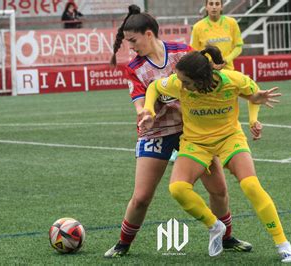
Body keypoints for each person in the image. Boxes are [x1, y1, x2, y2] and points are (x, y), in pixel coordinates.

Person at [104, 5, 254, 258]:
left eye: (133, 40)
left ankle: (226, 237)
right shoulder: (135, 67)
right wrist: (145, 114)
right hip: (157, 132)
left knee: (218, 190)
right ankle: (123, 244)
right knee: (141, 197)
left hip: (192, 132)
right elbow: (141, 101)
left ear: (149, 34)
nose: (130, 46)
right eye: (127, 41)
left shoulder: (182, 52)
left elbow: (208, 78)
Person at [138, 45, 291, 262]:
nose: (181, 85)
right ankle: (215, 226)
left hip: (229, 139)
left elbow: (254, 94)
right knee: (177, 189)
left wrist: (253, 119)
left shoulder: (233, 80)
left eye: (186, 82)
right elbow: (155, 87)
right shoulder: (179, 84)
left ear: (202, 79)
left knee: (251, 185)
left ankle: (283, 244)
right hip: (195, 142)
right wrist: (149, 110)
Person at [190, 0, 243, 71]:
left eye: (217, 4)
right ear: (206, 7)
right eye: (211, 4)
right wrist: (209, 62)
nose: (214, 7)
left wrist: (226, 60)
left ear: (221, 7)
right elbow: (194, 52)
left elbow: (238, 47)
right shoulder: (197, 27)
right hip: (207, 71)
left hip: (228, 70)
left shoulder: (232, 23)